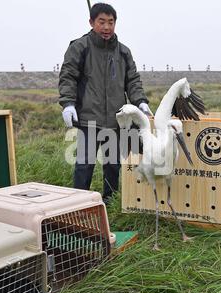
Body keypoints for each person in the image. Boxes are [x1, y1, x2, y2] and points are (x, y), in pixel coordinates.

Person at [58, 2, 151, 203]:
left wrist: (140, 102)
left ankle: (110, 202)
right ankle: (79, 205)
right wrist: (68, 104)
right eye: (102, 22)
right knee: (84, 164)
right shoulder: (80, 47)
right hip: (88, 118)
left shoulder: (123, 52)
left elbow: (132, 81)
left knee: (112, 164)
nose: (107, 27)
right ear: (91, 22)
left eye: (111, 22)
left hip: (116, 120)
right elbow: (68, 76)